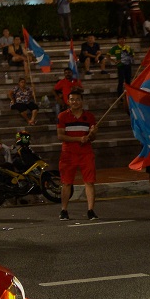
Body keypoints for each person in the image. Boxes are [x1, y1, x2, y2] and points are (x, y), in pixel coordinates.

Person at [57, 91, 98, 221]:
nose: (75, 102)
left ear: (82, 101)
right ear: (68, 101)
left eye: (77, 99)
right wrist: (79, 139)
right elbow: (60, 136)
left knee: (89, 181)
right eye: (72, 99)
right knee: (67, 182)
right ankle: (64, 210)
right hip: (68, 153)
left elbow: (92, 138)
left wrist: (92, 133)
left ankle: (91, 210)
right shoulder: (63, 116)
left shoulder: (89, 116)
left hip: (86, 152)